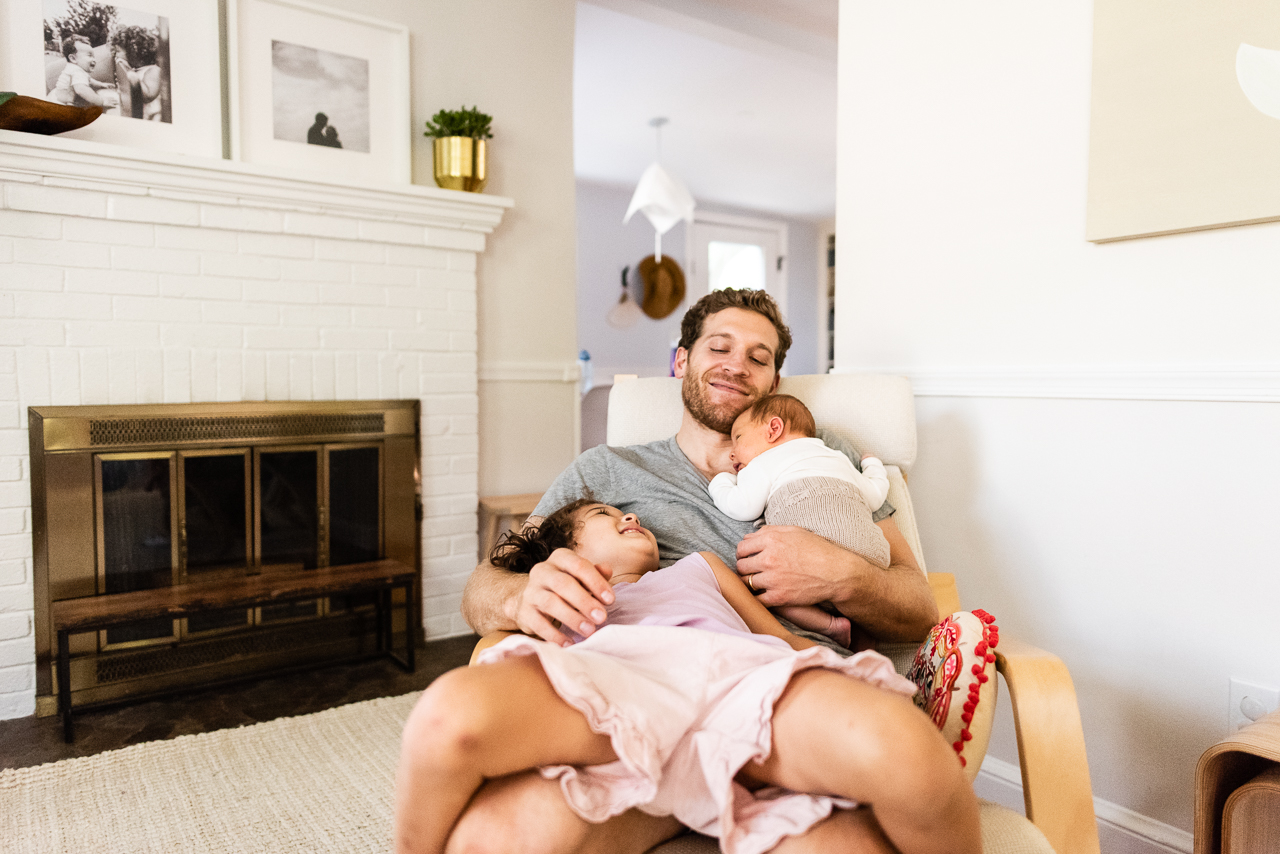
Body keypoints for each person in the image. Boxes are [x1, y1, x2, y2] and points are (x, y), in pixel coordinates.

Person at [456, 288, 938, 854]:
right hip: (645, 703)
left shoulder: (818, 451)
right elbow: (485, 584)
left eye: (760, 358)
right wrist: (520, 599)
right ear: (681, 360)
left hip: (786, 706)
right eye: (720, 347)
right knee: (496, 838)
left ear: (774, 385)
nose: (738, 365)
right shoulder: (605, 471)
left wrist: (844, 577)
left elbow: (919, 607)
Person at [397, 500, 979, 854]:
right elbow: (491, 596)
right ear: (563, 553)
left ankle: (737, 790)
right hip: (615, 681)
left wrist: (857, 679)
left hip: (742, 681)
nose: (629, 516)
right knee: (455, 740)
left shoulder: (701, 566)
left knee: (906, 758)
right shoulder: (557, 598)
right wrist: (527, 596)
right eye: (605, 517)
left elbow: (781, 642)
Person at [708, 394, 891, 649]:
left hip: (804, 569)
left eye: (738, 438)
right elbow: (875, 495)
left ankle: (831, 626)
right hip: (872, 560)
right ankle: (866, 638)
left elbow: (742, 507)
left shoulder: (763, 462)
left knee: (762, 587)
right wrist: (873, 465)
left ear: (773, 429)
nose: (732, 453)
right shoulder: (838, 458)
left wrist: (720, 482)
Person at [49, 37, 117, 109]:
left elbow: (89, 79)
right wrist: (101, 101)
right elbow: (81, 90)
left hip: (56, 96)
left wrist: (101, 84)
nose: (94, 59)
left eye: (94, 56)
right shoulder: (76, 72)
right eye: (89, 55)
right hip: (59, 104)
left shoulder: (74, 69)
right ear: (73, 58)